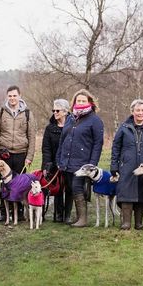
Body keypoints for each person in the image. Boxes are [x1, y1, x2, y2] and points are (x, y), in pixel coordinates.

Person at [110, 99, 143, 230]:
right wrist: (114, 166)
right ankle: (126, 222)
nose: (140, 113)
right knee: (126, 191)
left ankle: (139, 223)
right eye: (138, 110)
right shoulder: (123, 128)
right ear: (132, 111)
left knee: (142, 192)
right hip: (127, 165)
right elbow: (116, 147)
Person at [56, 89, 104, 227]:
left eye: (84, 100)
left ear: (89, 102)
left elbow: (97, 144)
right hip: (67, 160)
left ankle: (83, 219)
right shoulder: (71, 118)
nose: (81, 103)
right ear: (74, 102)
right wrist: (59, 157)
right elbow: (63, 139)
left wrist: (92, 164)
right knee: (71, 187)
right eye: (78, 100)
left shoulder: (95, 120)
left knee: (78, 187)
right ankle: (78, 218)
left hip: (83, 162)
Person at [0, 85, 35, 222]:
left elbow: (32, 136)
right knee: (4, 184)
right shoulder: (1, 112)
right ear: (7, 97)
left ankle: (20, 213)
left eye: (15, 95)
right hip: (5, 155)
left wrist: (29, 156)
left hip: (21, 153)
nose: (12, 98)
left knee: (20, 185)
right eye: (10, 96)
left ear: (20, 96)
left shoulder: (27, 113)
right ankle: (4, 213)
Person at [41, 99, 71, 222]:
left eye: (57, 110)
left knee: (70, 188)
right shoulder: (50, 128)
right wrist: (46, 165)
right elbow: (46, 148)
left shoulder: (72, 126)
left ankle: (67, 215)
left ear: (65, 111)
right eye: (53, 110)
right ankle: (58, 214)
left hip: (69, 163)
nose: (55, 112)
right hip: (54, 163)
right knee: (57, 189)